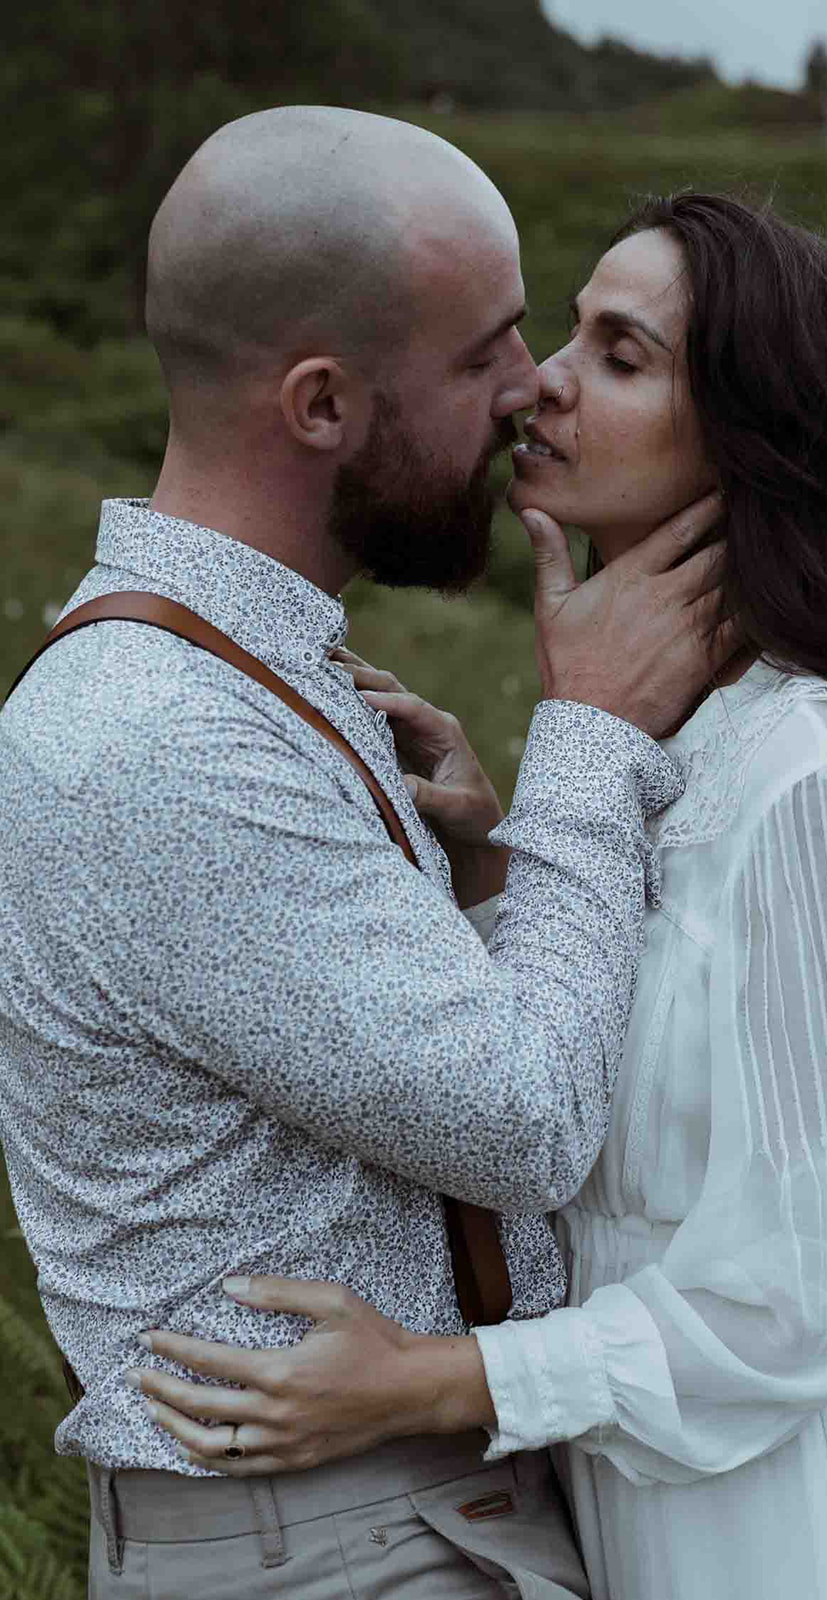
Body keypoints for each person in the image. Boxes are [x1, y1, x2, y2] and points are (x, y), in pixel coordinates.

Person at [137, 195, 827, 1598]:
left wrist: (434, 1382)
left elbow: (802, 1298)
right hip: (639, 1513)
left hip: (794, 1534)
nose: (543, 377)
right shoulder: (670, 745)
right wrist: (511, 864)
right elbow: (584, 1090)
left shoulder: (807, 774)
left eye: (620, 353)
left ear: (752, 437)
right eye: (569, 331)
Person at [0, 112, 734, 1599]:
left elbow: (394, 1064)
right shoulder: (160, 739)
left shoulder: (252, 680)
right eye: (483, 354)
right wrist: (584, 741)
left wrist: (483, 866)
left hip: (387, 1516)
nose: (531, 387)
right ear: (322, 406)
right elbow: (527, 1125)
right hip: (334, 1544)